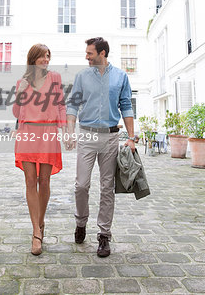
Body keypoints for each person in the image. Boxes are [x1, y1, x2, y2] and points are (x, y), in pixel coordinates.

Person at [66, 37, 135, 257]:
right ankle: (81, 222)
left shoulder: (120, 76)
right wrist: (69, 131)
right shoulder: (82, 76)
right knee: (81, 185)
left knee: (107, 188)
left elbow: (126, 106)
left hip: (111, 138)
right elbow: (72, 105)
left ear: (102, 53)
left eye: (90, 53)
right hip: (86, 136)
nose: (86, 57)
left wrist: (132, 137)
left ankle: (104, 235)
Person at [13, 44, 66, 255]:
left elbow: (61, 105)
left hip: (48, 133)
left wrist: (65, 129)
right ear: (33, 59)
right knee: (30, 180)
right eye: (43, 56)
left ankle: (41, 222)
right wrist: (19, 92)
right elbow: (17, 112)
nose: (46, 59)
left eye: (48, 56)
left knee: (44, 181)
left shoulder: (55, 78)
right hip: (27, 133)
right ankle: (36, 232)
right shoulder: (22, 82)